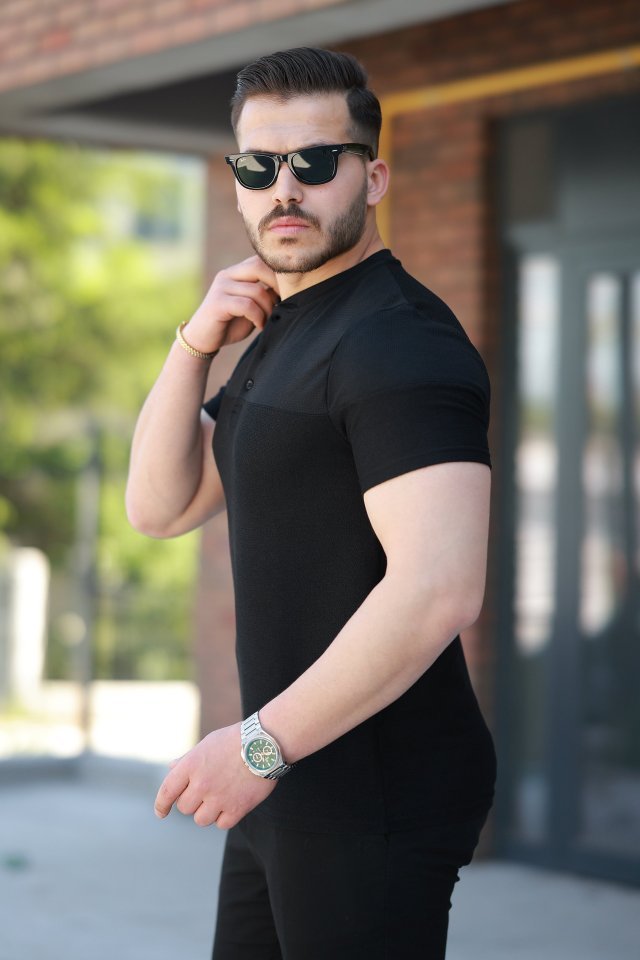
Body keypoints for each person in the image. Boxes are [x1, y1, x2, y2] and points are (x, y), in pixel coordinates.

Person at [126, 46, 496, 960]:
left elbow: (439, 589)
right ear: (237, 183)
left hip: (370, 793)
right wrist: (192, 344)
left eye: (315, 162)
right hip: (285, 777)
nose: (284, 189)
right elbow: (161, 507)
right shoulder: (279, 326)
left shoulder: (399, 343)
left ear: (373, 178)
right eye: (259, 166)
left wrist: (257, 748)